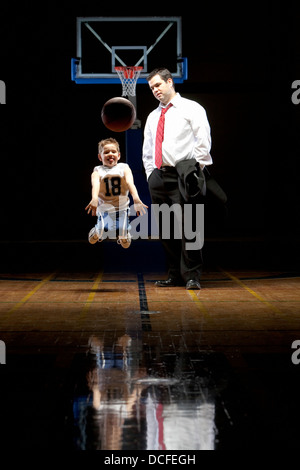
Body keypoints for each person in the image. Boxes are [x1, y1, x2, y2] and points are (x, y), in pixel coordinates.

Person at [142, 68, 213, 289]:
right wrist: (150, 174)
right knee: (166, 230)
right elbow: (148, 148)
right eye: (151, 88)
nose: (155, 90)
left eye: (158, 85)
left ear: (169, 81)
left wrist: (195, 170)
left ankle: (192, 276)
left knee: (191, 227)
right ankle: (174, 275)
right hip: (159, 177)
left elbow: (203, 140)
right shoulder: (153, 116)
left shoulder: (191, 108)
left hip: (184, 175)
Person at [86, 137, 148, 248]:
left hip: (122, 208)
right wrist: (94, 198)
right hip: (104, 208)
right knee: (100, 233)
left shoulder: (124, 167)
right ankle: (96, 231)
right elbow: (95, 185)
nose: (110, 154)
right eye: (106, 152)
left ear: (118, 155)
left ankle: (124, 235)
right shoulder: (97, 170)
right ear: (100, 157)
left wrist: (136, 199)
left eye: (113, 151)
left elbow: (130, 183)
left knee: (125, 242)